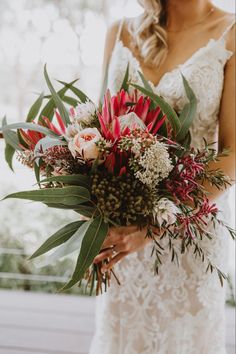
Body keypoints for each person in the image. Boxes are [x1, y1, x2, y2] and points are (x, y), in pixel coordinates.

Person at [89, 1, 235, 353]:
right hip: (121, 237)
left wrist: (153, 225)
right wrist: (91, 216)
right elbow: (97, 134)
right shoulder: (120, 32)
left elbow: (232, 154)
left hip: (189, 233)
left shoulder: (231, 33)